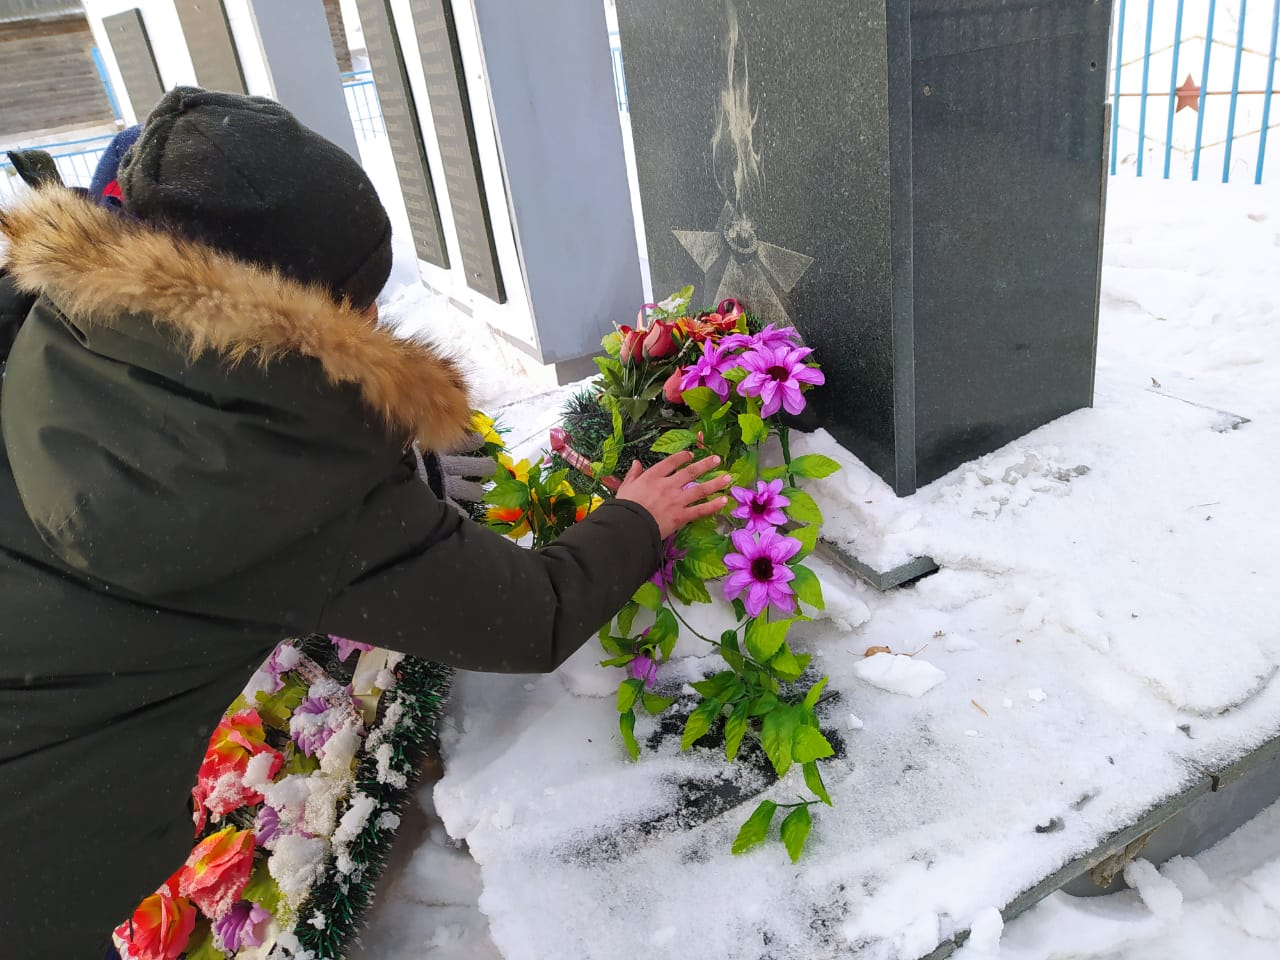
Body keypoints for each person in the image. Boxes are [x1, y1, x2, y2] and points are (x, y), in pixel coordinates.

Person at [0, 87, 731, 956]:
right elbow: (529, 616)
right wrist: (638, 519)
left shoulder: (55, 322)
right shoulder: (277, 479)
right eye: (357, 298)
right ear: (298, 309)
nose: (376, 319)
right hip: (40, 861)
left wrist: (372, 480)